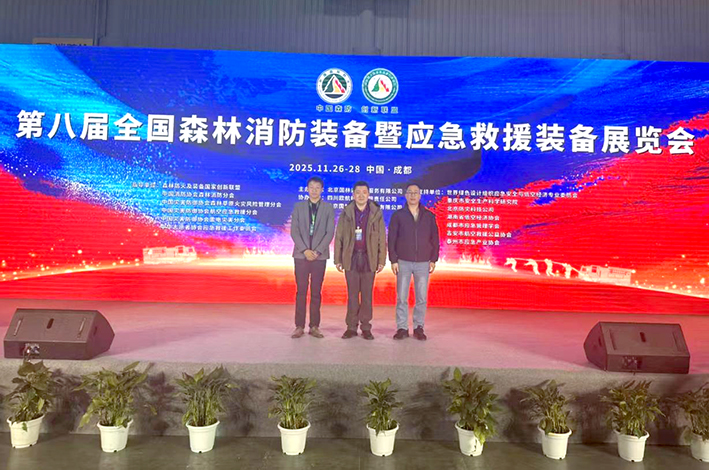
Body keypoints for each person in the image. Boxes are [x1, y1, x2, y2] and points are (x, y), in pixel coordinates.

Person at [334, 181, 386, 340]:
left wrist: (381, 260)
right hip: (351, 258)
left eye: (364, 192)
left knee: (367, 295)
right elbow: (339, 236)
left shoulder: (376, 213)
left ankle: (366, 327)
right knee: (352, 295)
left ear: (368, 194)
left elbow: (382, 237)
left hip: (369, 258)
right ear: (353, 194)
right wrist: (338, 259)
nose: (361, 195)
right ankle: (351, 327)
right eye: (358, 192)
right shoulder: (346, 213)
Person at [388, 183, 440, 341]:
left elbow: (435, 238)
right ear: (405, 195)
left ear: (420, 195)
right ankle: (402, 327)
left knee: (421, 298)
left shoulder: (429, 216)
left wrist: (433, 259)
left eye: (415, 192)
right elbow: (391, 239)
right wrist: (393, 260)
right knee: (402, 297)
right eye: (409, 192)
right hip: (403, 261)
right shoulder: (398, 215)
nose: (412, 195)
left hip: (423, 262)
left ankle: (419, 327)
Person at [290, 176, 335, 339]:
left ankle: (314, 326)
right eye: (311, 187)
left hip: (319, 257)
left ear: (322, 190)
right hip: (301, 255)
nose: (314, 190)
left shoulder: (328, 208)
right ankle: (299, 326)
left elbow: (329, 232)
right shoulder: (299, 206)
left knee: (316, 292)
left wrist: (317, 251)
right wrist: (305, 250)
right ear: (307, 189)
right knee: (301, 291)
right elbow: (294, 231)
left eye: (317, 187)